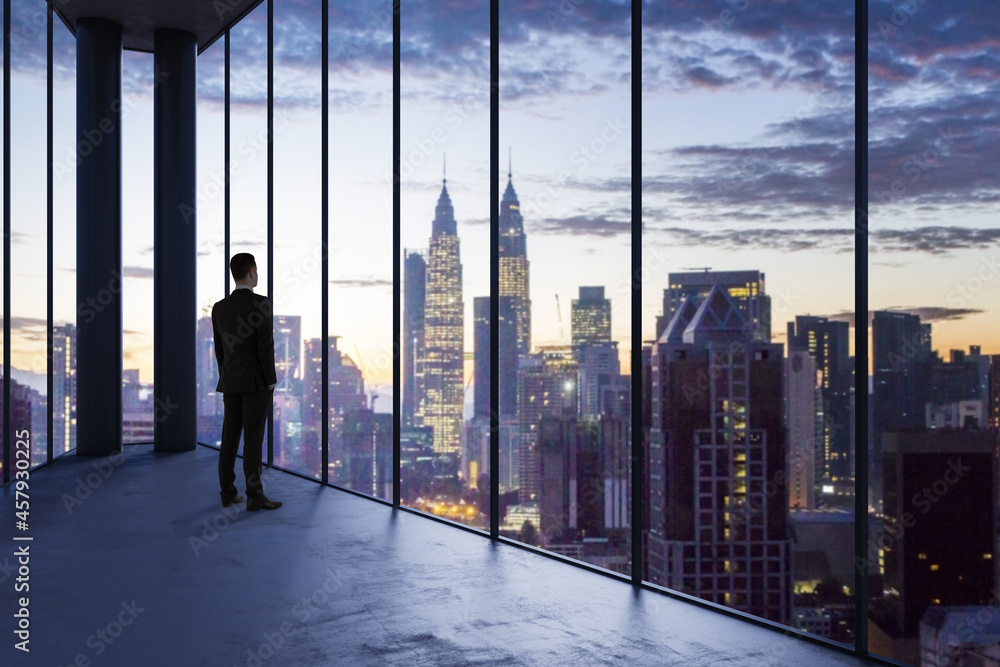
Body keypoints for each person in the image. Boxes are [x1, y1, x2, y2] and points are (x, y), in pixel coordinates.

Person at [212, 253, 282, 511]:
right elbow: (266, 346)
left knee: (229, 438)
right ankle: (254, 495)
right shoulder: (261, 303)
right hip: (256, 383)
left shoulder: (219, 308)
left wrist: (226, 374)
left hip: (230, 382)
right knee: (253, 441)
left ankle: (227, 493)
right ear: (251, 272)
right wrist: (271, 380)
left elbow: (219, 349)